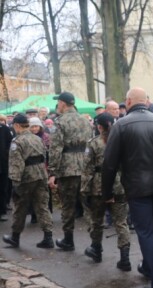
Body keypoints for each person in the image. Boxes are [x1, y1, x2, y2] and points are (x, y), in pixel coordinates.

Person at [102, 87, 153, 288]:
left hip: (137, 187)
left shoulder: (122, 125)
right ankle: (148, 266)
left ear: (127, 101)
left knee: (146, 233)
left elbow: (109, 164)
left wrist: (106, 192)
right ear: (146, 101)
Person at [81, 112, 131, 271]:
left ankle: (96, 249)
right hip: (119, 186)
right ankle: (125, 258)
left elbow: (87, 169)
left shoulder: (94, 143)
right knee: (121, 222)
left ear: (99, 126)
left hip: (98, 187)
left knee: (97, 220)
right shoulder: (122, 142)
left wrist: (85, 190)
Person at [48, 92, 92, 251]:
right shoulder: (85, 121)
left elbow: (55, 149)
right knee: (89, 205)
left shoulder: (59, 122)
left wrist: (52, 172)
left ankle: (68, 240)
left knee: (68, 205)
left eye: (59, 103)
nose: (58, 106)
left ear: (63, 103)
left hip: (67, 168)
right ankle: (96, 243)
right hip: (85, 167)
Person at [2, 114, 54, 248]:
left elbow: (16, 164)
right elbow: (44, 155)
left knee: (20, 207)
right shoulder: (37, 138)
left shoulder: (17, 141)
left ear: (17, 125)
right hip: (41, 174)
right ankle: (48, 237)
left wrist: (15, 182)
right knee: (42, 206)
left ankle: (15, 237)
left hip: (26, 177)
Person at [0, 115, 13, 222]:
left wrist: (6, 153)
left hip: (3, 164)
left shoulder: (4, 129)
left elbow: (11, 143)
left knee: (2, 188)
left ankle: (2, 211)